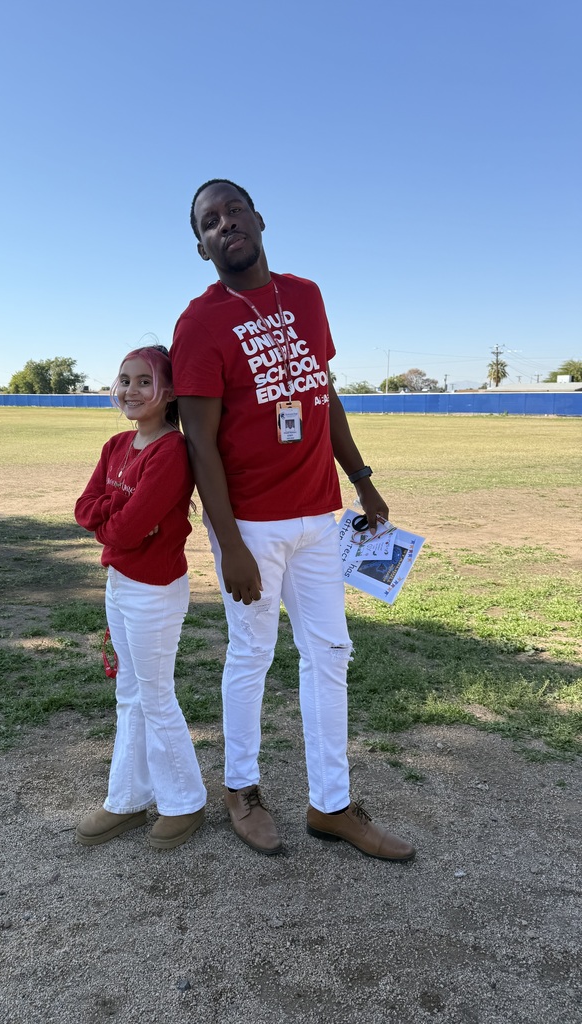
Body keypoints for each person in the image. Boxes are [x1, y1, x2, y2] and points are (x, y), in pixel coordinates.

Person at [170, 179, 415, 861]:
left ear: (258, 217)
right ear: (202, 246)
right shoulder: (200, 323)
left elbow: (322, 393)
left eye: (233, 210)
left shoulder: (305, 296)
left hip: (319, 515)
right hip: (251, 526)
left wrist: (362, 478)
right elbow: (199, 444)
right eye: (209, 221)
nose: (226, 225)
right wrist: (230, 546)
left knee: (330, 653)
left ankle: (330, 804)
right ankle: (241, 789)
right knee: (252, 652)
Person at [74, 345, 206, 850]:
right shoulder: (115, 446)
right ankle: (127, 798)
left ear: (169, 393)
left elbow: (126, 531)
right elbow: (86, 509)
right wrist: (117, 510)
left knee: (154, 695)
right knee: (129, 693)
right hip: (119, 584)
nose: (131, 390)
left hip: (155, 590)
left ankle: (184, 801)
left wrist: (115, 515)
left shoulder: (172, 451)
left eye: (144, 382)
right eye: (124, 380)